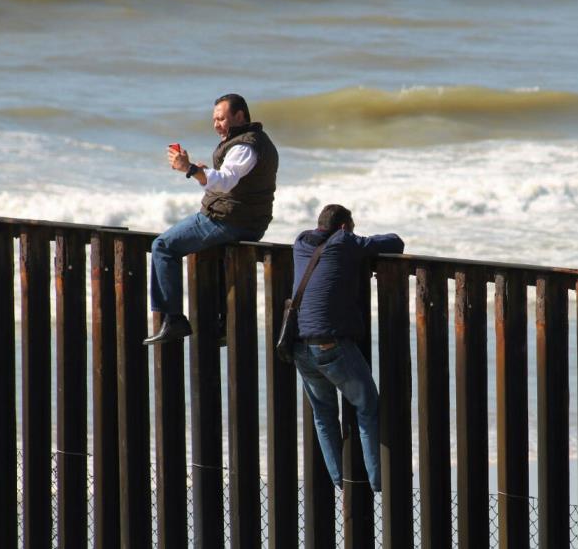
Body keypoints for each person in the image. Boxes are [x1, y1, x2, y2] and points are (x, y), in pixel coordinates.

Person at [144, 93, 278, 345]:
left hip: (229, 220)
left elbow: (225, 181)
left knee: (162, 247)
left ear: (239, 116)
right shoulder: (254, 141)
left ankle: (173, 319)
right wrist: (202, 172)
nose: (216, 124)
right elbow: (228, 182)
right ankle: (223, 323)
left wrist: (191, 169)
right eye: (214, 119)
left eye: (222, 118)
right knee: (213, 254)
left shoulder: (244, 146)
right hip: (248, 221)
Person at [292, 204, 404, 493]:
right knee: (367, 406)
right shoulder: (343, 240)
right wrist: (354, 240)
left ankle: (340, 481)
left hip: (300, 346)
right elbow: (395, 242)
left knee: (323, 413)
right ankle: (378, 481)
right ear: (343, 227)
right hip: (330, 345)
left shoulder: (301, 241)